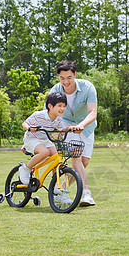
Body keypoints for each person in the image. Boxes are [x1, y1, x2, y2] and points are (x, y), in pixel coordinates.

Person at [49, 60, 97, 207]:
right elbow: (50, 113)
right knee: (76, 158)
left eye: (69, 77)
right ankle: (86, 193)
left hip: (86, 126)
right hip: (67, 126)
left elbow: (93, 112)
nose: (66, 81)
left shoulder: (87, 87)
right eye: (62, 78)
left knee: (84, 162)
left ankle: (61, 188)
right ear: (58, 77)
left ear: (75, 75)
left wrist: (81, 125)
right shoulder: (55, 90)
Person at [19, 92, 72, 205]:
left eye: (64, 106)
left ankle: (56, 188)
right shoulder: (39, 115)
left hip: (44, 139)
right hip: (31, 139)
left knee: (56, 156)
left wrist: (71, 128)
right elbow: (24, 124)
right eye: (59, 106)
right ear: (50, 106)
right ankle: (26, 168)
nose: (62, 108)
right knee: (45, 152)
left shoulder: (58, 120)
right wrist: (29, 128)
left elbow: (60, 133)